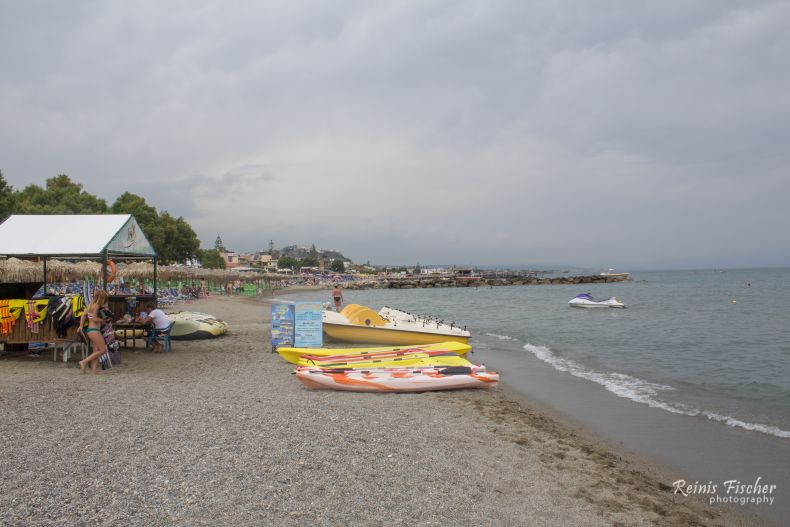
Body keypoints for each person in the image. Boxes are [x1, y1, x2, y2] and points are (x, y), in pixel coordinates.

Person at [78, 290, 111, 374]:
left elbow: (83, 315)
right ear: (102, 298)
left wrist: (81, 326)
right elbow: (94, 319)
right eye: (104, 299)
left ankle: (93, 370)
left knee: (96, 351)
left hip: (90, 330)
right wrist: (104, 320)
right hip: (95, 331)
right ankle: (83, 362)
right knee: (103, 350)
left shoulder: (90, 305)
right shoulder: (97, 306)